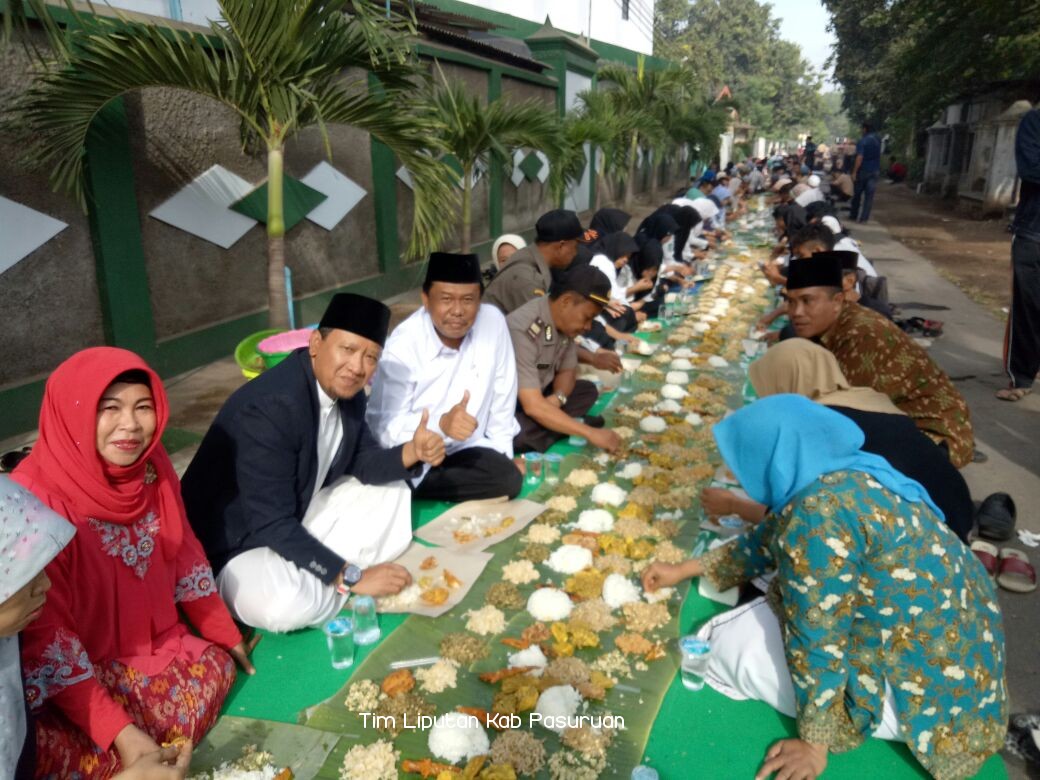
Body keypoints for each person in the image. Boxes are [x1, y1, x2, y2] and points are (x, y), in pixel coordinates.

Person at [642, 396, 1007, 780]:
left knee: (730, 647)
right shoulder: (852, 471)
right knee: (781, 585)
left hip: (929, 704)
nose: (738, 476)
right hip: (969, 672)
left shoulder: (819, 515)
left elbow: (817, 631)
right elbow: (767, 538)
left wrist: (814, 744)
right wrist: (684, 569)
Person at [13, 348, 251, 777]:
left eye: (143, 407)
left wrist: (223, 632)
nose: (131, 425)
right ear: (73, 413)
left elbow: (184, 552)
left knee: (217, 667)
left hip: (154, 654)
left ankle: (141, 757)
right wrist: (122, 733)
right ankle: (136, 753)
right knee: (43, 749)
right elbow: (45, 637)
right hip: (78, 678)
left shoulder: (153, 468)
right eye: (109, 409)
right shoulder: (33, 500)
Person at [182, 293, 445, 633]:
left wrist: (414, 452)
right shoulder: (270, 409)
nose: (357, 367)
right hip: (235, 548)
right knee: (285, 608)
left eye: (371, 357)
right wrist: (353, 577)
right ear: (316, 343)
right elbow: (270, 522)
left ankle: (322, 572)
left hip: (296, 515)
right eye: (347, 350)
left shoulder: (346, 393)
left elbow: (362, 462)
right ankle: (337, 578)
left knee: (392, 491)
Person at [702, 339, 974, 540]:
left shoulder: (820, 429)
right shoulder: (862, 397)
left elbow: (803, 517)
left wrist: (733, 506)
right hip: (953, 508)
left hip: (928, 539)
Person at [782, 255, 975, 466]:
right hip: (891, 424)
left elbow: (843, 419)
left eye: (807, 301)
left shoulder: (862, 333)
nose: (796, 312)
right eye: (791, 302)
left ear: (837, 301)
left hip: (933, 435)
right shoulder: (828, 324)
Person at [367, 253, 522, 503]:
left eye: (469, 300)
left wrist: (505, 455)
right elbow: (383, 428)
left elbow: (503, 395)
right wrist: (441, 425)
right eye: (447, 299)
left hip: (471, 445)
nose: (458, 311)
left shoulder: (492, 321)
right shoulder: (403, 345)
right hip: (420, 455)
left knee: (511, 462)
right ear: (426, 300)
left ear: (480, 301)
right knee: (505, 479)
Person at [485, 209, 622, 375]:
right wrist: (593, 358)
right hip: (498, 364)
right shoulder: (526, 280)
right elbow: (544, 336)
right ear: (561, 245)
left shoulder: (532, 260)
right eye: (576, 245)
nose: (577, 251)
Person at [508, 266, 622, 455]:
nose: (587, 327)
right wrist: (589, 433)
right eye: (587, 318)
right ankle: (570, 425)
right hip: (517, 406)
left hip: (544, 395)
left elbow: (567, 370)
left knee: (587, 390)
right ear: (566, 301)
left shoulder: (562, 321)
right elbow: (532, 405)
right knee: (519, 434)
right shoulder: (524, 328)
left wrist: (558, 398)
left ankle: (557, 425)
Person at [999, 106, 1040, 402]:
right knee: (1028, 307)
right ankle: (1022, 376)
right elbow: (1031, 169)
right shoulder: (1034, 121)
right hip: (1033, 231)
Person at [850, 121, 882, 223]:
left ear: (865, 129)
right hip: (875, 170)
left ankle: (854, 215)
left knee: (857, 194)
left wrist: (854, 172)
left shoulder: (863, 141)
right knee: (869, 196)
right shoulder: (878, 140)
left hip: (863, 170)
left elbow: (859, 157)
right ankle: (864, 218)